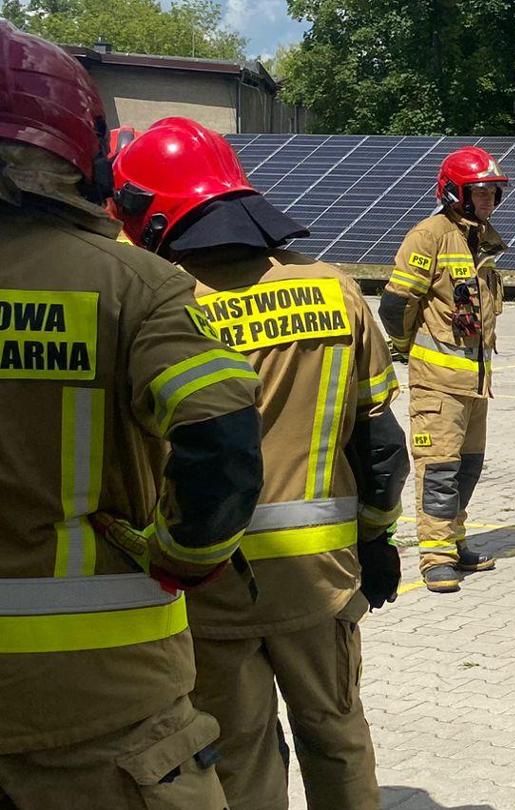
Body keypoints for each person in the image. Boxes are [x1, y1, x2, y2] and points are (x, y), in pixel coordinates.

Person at [0, 22, 263, 808]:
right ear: (79, 152)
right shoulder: (134, 285)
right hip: (100, 700)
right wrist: (185, 556)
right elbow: (220, 433)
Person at [111, 117, 409, 810]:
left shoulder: (163, 304)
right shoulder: (334, 289)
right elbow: (381, 445)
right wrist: (377, 537)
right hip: (321, 580)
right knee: (338, 738)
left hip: (209, 583)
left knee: (237, 759)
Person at [380, 146, 508, 593]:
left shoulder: (481, 238)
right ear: (456, 193)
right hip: (437, 385)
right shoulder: (429, 235)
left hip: (475, 384)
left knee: (467, 468)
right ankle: (435, 557)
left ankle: (454, 541)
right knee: (439, 470)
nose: (489, 200)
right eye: (480, 192)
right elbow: (395, 304)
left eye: (493, 192)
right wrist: (403, 349)